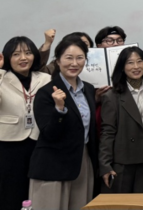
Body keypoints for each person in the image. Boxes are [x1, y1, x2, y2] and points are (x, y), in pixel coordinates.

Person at [29, 37, 98, 210]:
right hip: (53, 164)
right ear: (58, 60)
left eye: (80, 58)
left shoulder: (88, 89)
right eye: (68, 58)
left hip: (82, 161)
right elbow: (49, 133)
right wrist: (59, 108)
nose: (74, 63)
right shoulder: (46, 92)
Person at [99, 46, 143, 193]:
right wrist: (105, 165)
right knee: (122, 201)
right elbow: (107, 132)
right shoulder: (112, 96)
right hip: (124, 158)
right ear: (122, 67)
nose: (136, 66)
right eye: (130, 62)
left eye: (140, 61)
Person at [0, 37, 51, 210]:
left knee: (36, 190)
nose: (23, 58)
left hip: (38, 141)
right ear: (7, 57)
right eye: (16, 54)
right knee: (10, 190)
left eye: (28, 53)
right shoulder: (2, 78)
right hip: (8, 143)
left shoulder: (45, 78)